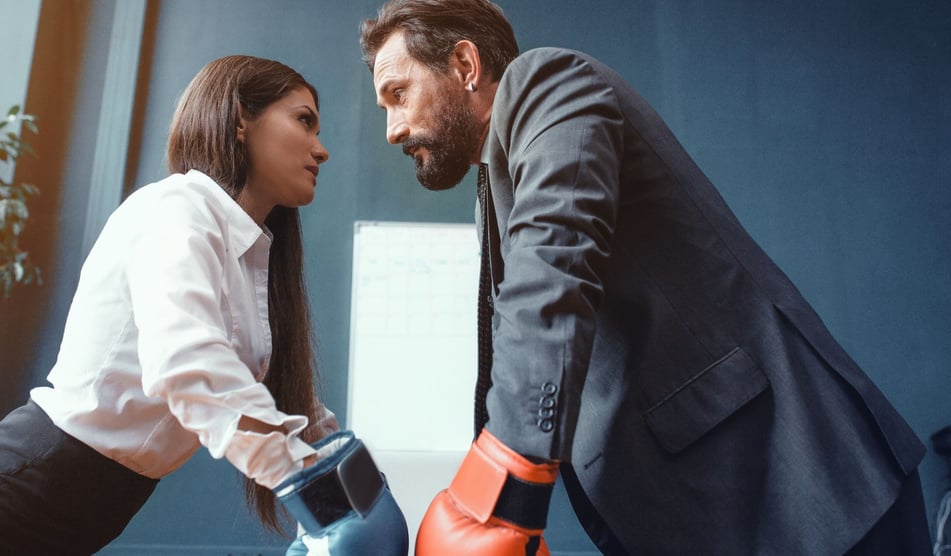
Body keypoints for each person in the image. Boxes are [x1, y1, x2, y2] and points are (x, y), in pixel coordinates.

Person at [359, 1, 932, 554]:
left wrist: (502, 486)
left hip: (805, 495)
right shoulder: (495, 183)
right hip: (711, 513)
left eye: (398, 94)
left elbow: (552, 262)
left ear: (464, 65)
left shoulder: (548, 83)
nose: (391, 129)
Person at [0, 55, 407, 555]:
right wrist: (313, 491)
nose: (321, 150)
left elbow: (284, 398)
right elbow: (187, 364)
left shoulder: (250, 257)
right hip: (31, 479)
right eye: (304, 121)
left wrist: (359, 482)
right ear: (241, 119)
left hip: (93, 505)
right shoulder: (177, 208)